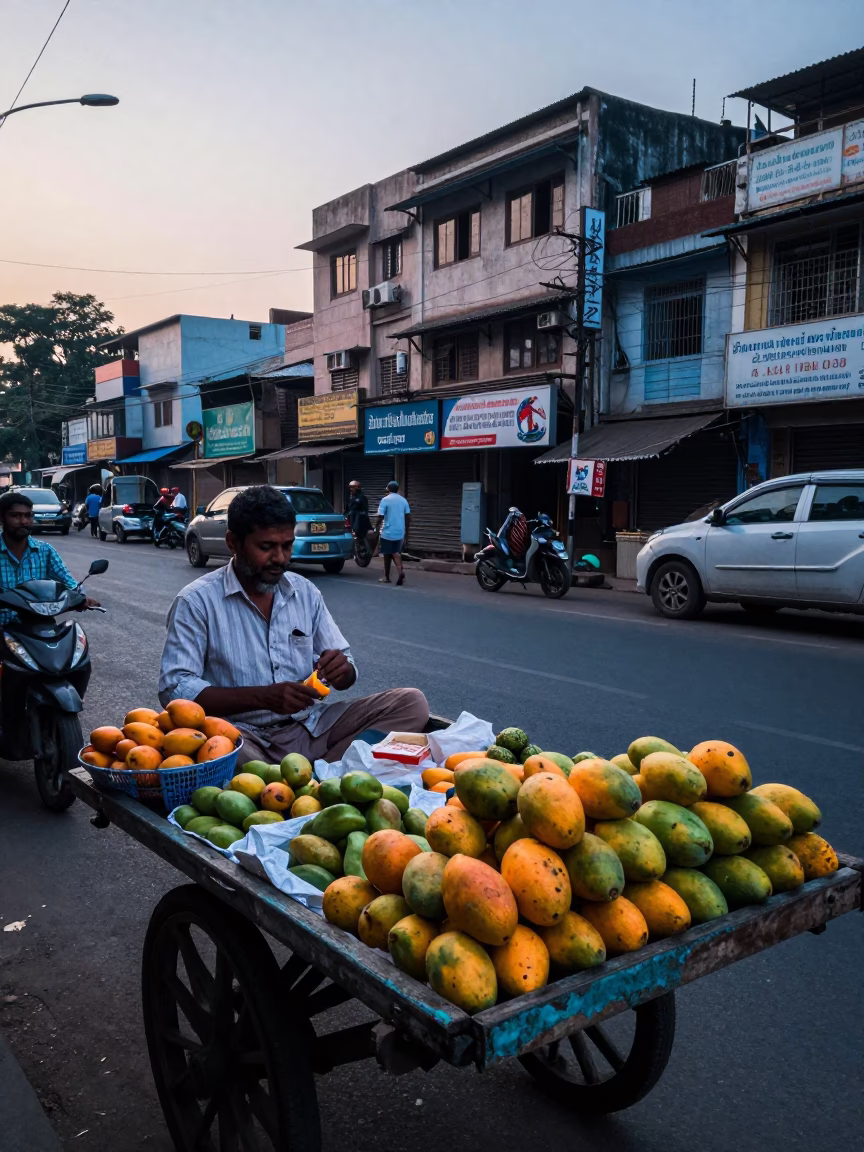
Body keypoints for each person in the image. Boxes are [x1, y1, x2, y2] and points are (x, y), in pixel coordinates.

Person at [158, 485, 428, 764]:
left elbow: (345, 668)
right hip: (243, 737)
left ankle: (317, 776)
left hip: (312, 727)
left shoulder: (304, 592)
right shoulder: (196, 602)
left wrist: (341, 670)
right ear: (233, 544)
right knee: (226, 757)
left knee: (411, 703)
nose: (280, 558)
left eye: (287, 545)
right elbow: (175, 688)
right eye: (267, 547)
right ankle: (324, 772)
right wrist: (262, 698)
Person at [0, 492, 100, 624]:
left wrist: (80, 597)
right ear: (2, 518)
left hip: (38, 627)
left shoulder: (44, 551)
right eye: (15, 516)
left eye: (28, 515)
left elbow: (66, 579)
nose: (23, 521)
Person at [375, 480, 411, 586]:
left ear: (388, 489)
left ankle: (386, 577)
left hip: (388, 531)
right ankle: (400, 572)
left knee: (387, 554)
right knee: (396, 552)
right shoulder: (404, 500)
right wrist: (406, 531)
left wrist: (375, 527)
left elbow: (380, 516)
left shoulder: (385, 500)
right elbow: (408, 517)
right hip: (400, 531)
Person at [345, 480, 372, 547]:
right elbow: (347, 510)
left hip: (359, 523)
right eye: (350, 488)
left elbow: (364, 511)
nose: (351, 490)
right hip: (350, 522)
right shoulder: (349, 498)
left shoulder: (362, 498)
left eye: (352, 487)